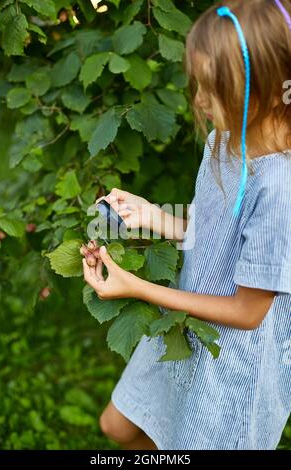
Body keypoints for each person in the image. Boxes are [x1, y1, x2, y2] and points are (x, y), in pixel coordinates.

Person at [80, 0, 291, 450]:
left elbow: (248, 312)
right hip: (187, 324)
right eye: (198, 83)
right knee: (118, 427)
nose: (198, 100)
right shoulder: (224, 140)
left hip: (232, 362)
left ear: (272, 89)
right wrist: (153, 216)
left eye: (215, 88)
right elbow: (218, 229)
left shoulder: (279, 187)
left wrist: (136, 286)